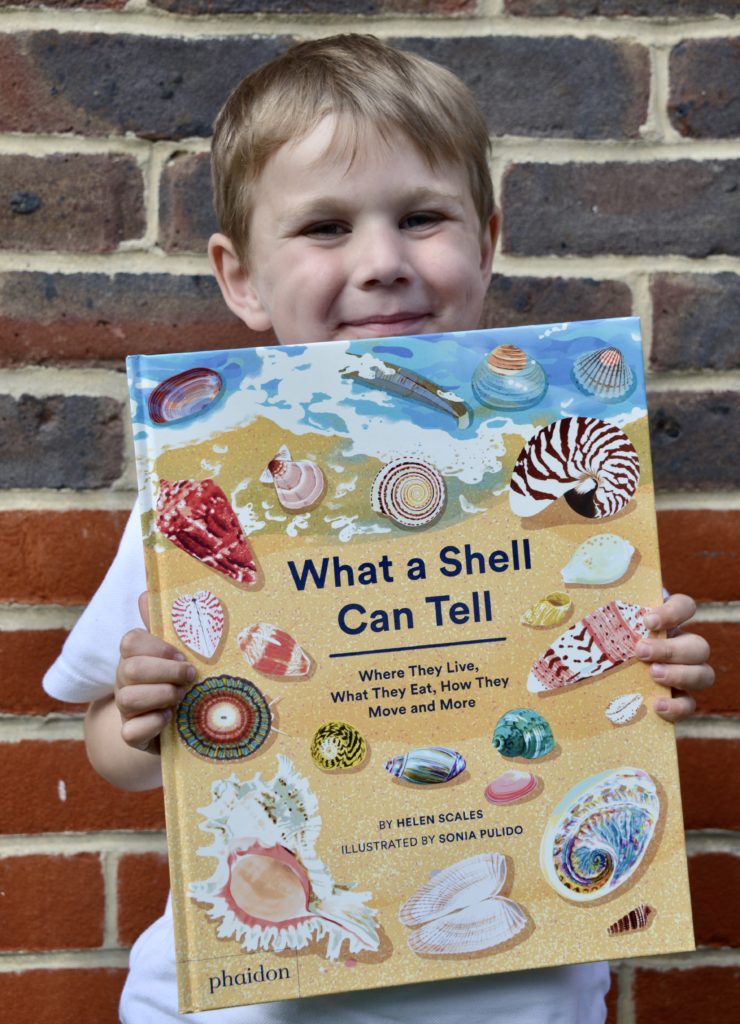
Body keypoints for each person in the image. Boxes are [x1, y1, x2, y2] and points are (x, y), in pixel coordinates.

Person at [43, 34, 714, 1024]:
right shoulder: (205, 487)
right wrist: (146, 717)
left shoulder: (556, 483)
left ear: (484, 242)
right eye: (323, 227)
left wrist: (645, 675)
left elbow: (592, 695)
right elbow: (112, 745)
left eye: (420, 218)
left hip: (519, 992)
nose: (382, 262)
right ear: (240, 277)